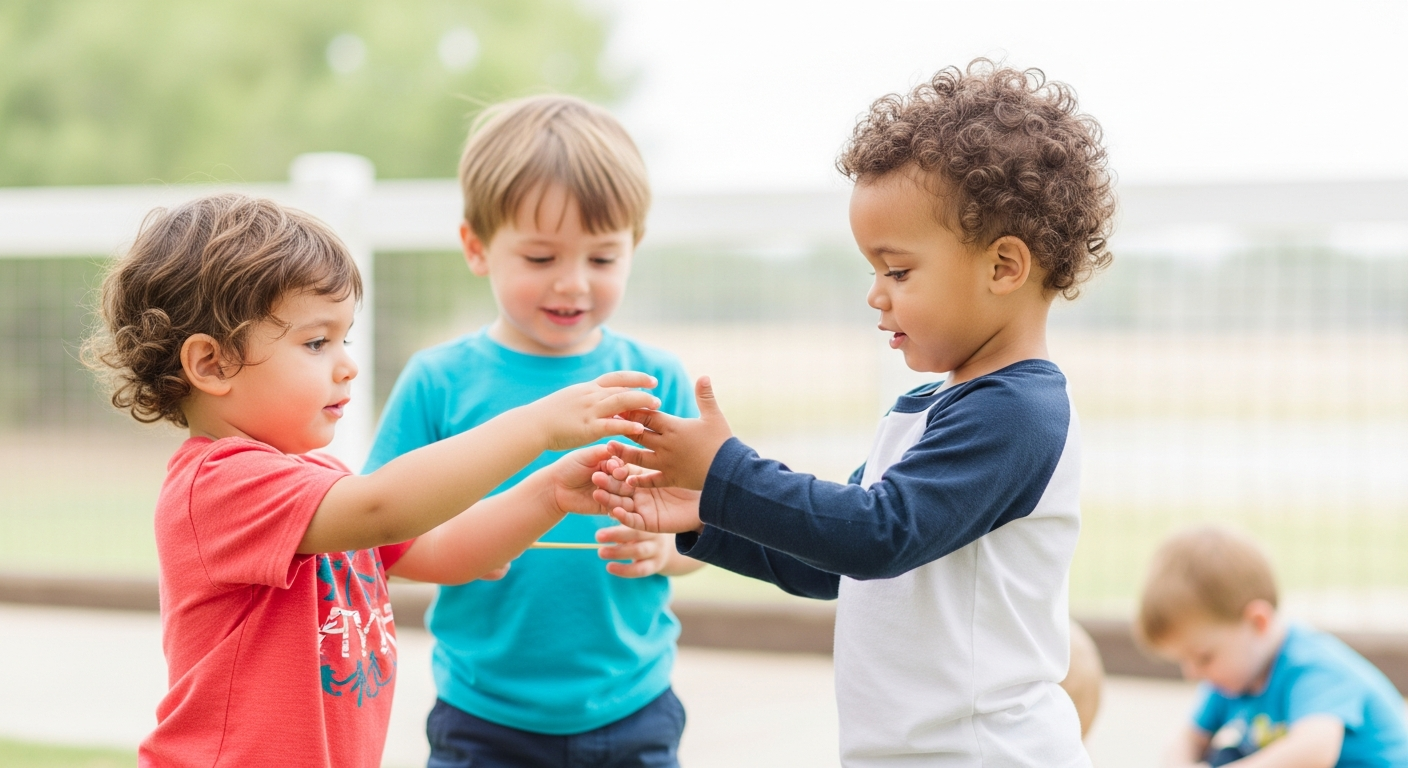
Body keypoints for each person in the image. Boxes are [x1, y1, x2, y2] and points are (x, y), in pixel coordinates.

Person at [590, 59, 1116, 767]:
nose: (877, 294)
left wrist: (727, 473)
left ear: (1003, 267)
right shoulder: (934, 408)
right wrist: (710, 515)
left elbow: (875, 537)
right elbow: (835, 562)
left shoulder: (1017, 414)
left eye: (897, 271)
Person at [84, 193, 659, 767]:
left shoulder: (319, 480)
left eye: (344, 339)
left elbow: (441, 550)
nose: (347, 364)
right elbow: (386, 507)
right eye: (316, 342)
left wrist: (550, 491)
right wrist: (536, 427)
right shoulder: (218, 486)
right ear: (210, 364)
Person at [363, 94, 703, 768]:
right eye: (542, 258)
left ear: (632, 247)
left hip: (633, 708)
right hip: (483, 715)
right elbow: (380, 536)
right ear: (477, 247)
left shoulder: (654, 380)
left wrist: (666, 552)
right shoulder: (439, 382)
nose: (573, 284)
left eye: (602, 260)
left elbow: (712, 528)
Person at [1136, 525, 1408, 767]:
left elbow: (1314, 751)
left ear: (1258, 622)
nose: (1192, 673)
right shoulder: (1230, 679)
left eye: (1203, 658)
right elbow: (1186, 739)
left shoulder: (1312, 668)